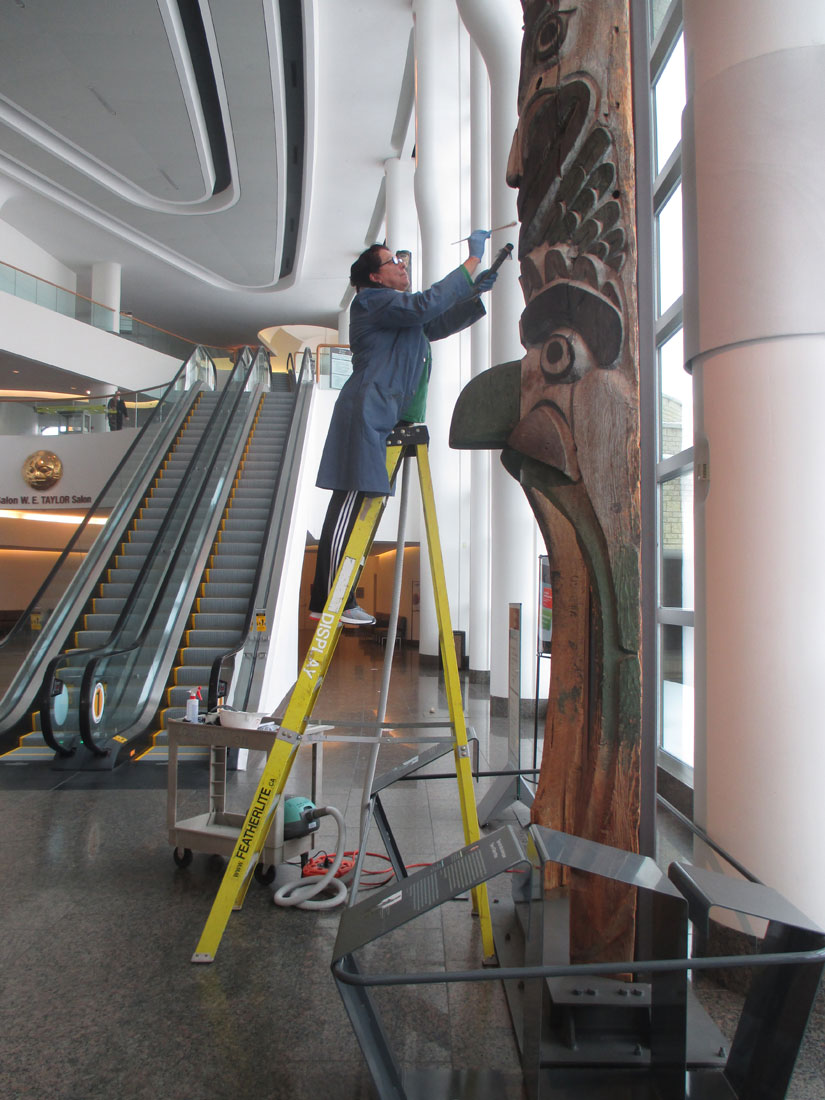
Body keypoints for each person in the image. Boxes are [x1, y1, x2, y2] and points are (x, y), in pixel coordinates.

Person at [309, 230, 497, 626]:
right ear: (375, 277)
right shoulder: (373, 301)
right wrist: (470, 264)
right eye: (393, 262)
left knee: (363, 507)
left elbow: (433, 322)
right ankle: (329, 599)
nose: (401, 266)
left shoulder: (395, 313)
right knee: (350, 505)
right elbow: (423, 307)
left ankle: (338, 596)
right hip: (367, 411)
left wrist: (472, 293)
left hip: (384, 414)